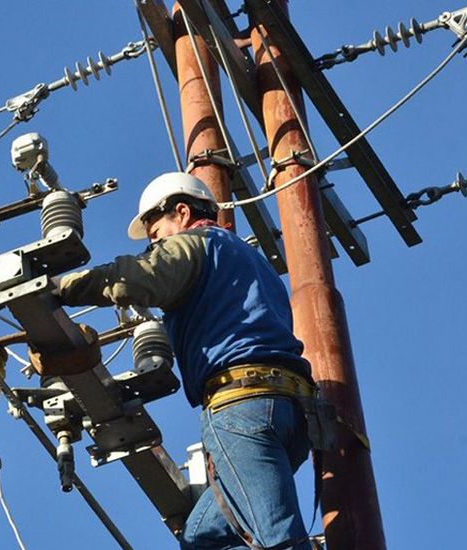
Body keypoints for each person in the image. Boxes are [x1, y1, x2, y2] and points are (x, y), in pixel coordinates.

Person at [57, 173, 316, 549]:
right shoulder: (248, 261)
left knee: (279, 539)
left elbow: (140, 278)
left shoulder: (196, 245)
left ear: (181, 212)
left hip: (241, 405)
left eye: (156, 234)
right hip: (290, 414)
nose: (155, 245)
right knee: (201, 538)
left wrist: (62, 288)